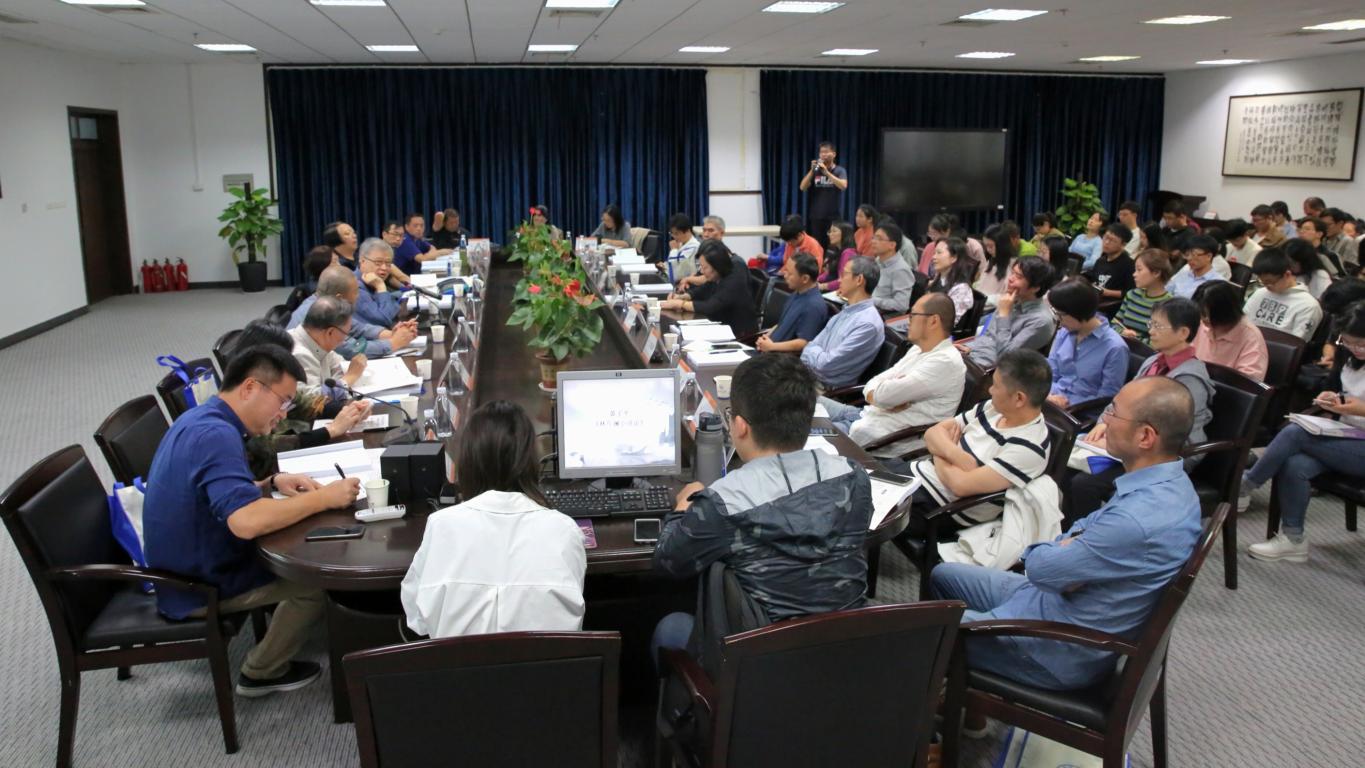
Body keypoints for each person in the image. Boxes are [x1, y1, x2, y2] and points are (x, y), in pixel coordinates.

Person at [931, 376, 1201, 691]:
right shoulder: (1172, 486)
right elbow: (1074, 541)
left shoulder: (1135, 520)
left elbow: (1041, 570)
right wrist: (1069, 548)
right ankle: (955, 688)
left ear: (1145, 436)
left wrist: (1061, 551)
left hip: (1052, 645)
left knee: (915, 631)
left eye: (1113, 412)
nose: (1105, 421)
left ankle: (938, 692)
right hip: (1054, 601)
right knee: (944, 575)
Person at [143, 346, 360, 696]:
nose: (283, 413)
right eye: (283, 401)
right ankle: (261, 672)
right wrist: (323, 498)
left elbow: (213, 494)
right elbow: (245, 522)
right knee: (317, 580)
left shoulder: (204, 419)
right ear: (249, 388)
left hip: (186, 560)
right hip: (195, 584)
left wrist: (270, 483)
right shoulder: (216, 436)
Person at [650, 353, 873, 661]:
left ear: (740, 426)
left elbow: (667, 562)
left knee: (671, 629)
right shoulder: (854, 477)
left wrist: (681, 509)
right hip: (850, 655)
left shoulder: (723, 503)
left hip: (759, 668)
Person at [401, 400, 586, 637]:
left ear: (468, 461)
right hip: (549, 662)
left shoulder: (441, 526)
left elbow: (417, 619)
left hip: (457, 662)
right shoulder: (564, 530)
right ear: (530, 461)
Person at [1064, 299, 1214, 521]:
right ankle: (1068, 531)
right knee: (1066, 465)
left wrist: (1118, 441)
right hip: (1132, 441)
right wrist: (1105, 423)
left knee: (1084, 484)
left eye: (1158, 326)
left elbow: (1173, 436)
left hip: (1162, 456)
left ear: (1183, 332)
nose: (1150, 331)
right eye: (1150, 324)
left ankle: (1089, 535)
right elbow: (1123, 398)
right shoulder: (1153, 361)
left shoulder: (1190, 379)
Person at [1242, 301, 1365, 561]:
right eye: (1349, 342)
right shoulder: (1346, 356)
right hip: (1345, 435)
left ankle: (1247, 483)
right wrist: (1330, 397)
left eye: (1361, 343)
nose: (1355, 349)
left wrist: (1361, 410)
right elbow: (1336, 389)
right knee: (1295, 464)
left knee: (1295, 433)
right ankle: (1293, 539)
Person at [903, 349, 1052, 534]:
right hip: (919, 474)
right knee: (867, 477)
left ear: (1019, 398)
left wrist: (939, 451)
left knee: (868, 509)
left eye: (995, 386)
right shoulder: (993, 408)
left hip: (939, 508)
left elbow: (959, 486)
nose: (990, 390)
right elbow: (932, 433)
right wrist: (955, 455)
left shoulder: (1029, 448)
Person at [818, 293, 965, 456]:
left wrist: (883, 394)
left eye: (912, 315)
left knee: (803, 432)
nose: (908, 321)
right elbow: (876, 383)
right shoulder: (919, 348)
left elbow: (883, 396)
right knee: (804, 399)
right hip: (865, 414)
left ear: (933, 321)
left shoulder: (944, 362)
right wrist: (882, 395)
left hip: (877, 435)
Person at [289, 265, 418, 360]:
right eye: (356, 292)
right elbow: (350, 350)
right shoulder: (319, 313)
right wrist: (393, 343)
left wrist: (391, 334)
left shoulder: (327, 303)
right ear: (339, 297)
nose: (358, 296)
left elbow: (357, 328)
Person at [800, 257, 885, 389]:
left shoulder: (868, 324)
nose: (839, 280)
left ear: (859, 280)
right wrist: (816, 354)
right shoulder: (847, 311)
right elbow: (810, 347)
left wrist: (813, 354)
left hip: (824, 389)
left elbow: (826, 365)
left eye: (844, 274)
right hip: (807, 375)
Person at [1045, 278, 1128, 410]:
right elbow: (1050, 371)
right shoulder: (1064, 332)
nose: (1059, 320)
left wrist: (1068, 404)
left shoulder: (1115, 347)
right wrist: (1046, 395)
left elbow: (1107, 397)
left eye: (1060, 315)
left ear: (1077, 311)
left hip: (1079, 410)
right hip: (1050, 398)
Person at [966, 257, 1058, 368]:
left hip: (989, 368)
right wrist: (970, 348)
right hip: (974, 352)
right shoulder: (1012, 299)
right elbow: (988, 336)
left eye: (1018, 277)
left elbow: (1006, 356)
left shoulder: (1041, 321)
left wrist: (1004, 315)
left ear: (1035, 288)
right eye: (1013, 273)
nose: (1010, 279)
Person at [660, 240, 757, 337]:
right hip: (721, 325)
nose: (702, 271)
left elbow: (712, 306)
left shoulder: (737, 268)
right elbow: (706, 287)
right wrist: (684, 296)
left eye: (705, 267)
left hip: (739, 333)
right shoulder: (721, 269)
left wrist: (681, 304)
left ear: (717, 265)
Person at [287, 296, 365, 408]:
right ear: (330, 332)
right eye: (345, 334)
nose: (344, 340)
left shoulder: (316, 341)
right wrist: (349, 378)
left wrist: (343, 379)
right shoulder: (299, 354)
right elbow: (313, 402)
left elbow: (340, 366)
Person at [1192, 280, 1268, 382]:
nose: (1202, 319)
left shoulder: (1251, 337)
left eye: (1206, 315)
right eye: (1200, 313)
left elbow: (1248, 383)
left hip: (1223, 389)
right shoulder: (1201, 325)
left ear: (1224, 312)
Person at [1246, 247, 1324, 342]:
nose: (1267, 286)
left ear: (1287, 275)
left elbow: (1296, 343)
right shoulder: (1260, 293)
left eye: (1270, 282)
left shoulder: (1308, 305)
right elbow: (1243, 322)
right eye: (1263, 282)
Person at [756, 252, 828, 354]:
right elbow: (783, 322)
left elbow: (804, 342)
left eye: (790, 273)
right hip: (771, 349)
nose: (785, 275)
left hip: (783, 358)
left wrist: (771, 346)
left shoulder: (814, 306)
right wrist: (768, 335)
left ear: (805, 279)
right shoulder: (797, 292)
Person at [1111, 248, 1174, 343]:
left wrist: (1134, 340)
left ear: (1156, 273)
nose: (1134, 274)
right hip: (1120, 343)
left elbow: (1160, 341)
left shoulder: (1169, 305)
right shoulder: (1132, 294)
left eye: (1139, 270)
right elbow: (1114, 324)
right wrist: (1122, 332)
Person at [799, 140, 848, 248]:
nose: (823, 155)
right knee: (817, 246)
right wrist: (812, 171)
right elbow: (802, 187)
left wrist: (827, 173)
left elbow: (843, 186)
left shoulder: (840, 170)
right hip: (816, 216)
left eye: (826, 152)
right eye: (821, 152)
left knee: (832, 246)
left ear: (834, 154)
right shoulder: (816, 171)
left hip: (833, 217)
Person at [353, 237, 401, 327]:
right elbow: (384, 320)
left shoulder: (373, 280)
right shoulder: (354, 286)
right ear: (362, 261)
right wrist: (381, 287)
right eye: (378, 263)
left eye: (388, 263)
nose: (384, 268)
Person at [927, 236, 977, 324]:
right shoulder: (939, 277)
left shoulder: (961, 289)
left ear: (953, 258)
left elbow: (948, 322)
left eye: (939, 253)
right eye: (934, 253)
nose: (934, 257)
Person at [1081, 223, 1137, 301]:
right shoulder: (1101, 260)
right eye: (1106, 237)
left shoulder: (1129, 265)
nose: (1106, 242)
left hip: (1110, 304)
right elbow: (1092, 277)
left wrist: (1108, 293)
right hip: (1094, 299)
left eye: (1112, 240)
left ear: (1123, 245)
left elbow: (1131, 292)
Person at [869, 221, 915, 314]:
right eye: (873, 237)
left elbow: (901, 305)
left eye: (879, 239)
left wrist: (873, 300)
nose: (873, 242)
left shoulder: (901, 270)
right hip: (870, 308)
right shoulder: (878, 260)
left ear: (892, 245)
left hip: (884, 315)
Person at [1168, 234, 1228, 298]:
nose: (1189, 258)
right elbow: (1166, 291)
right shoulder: (1183, 273)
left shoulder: (1218, 283)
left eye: (1194, 255)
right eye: (1187, 254)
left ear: (1209, 256)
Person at [975, 223, 1016, 302]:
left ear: (1002, 245)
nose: (988, 250)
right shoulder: (991, 261)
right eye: (986, 246)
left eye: (991, 246)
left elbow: (1008, 295)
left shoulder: (1012, 265)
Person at [817, 220, 858, 292]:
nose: (830, 234)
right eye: (830, 231)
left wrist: (822, 286)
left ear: (845, 234)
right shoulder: (835, 250)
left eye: (834, 231)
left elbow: (843, 280)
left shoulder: (848, 253)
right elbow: (829, 273)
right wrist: (815, 280)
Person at [663, 213, 701, 285]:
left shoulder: (694, 247)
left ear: (687, 231)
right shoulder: (681, 243)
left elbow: (679, 273)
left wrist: (674, 250)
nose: (674, 236)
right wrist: (664, 266)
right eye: (672, 233)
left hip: (688, 285)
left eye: (676, 233)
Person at [1320, 207, 1359, 271]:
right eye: (1323, 224)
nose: (1325, 227)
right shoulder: (1322, 239)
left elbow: (1351, 266)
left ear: (1340, 223)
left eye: (1329, 224)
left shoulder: (1348, 241)